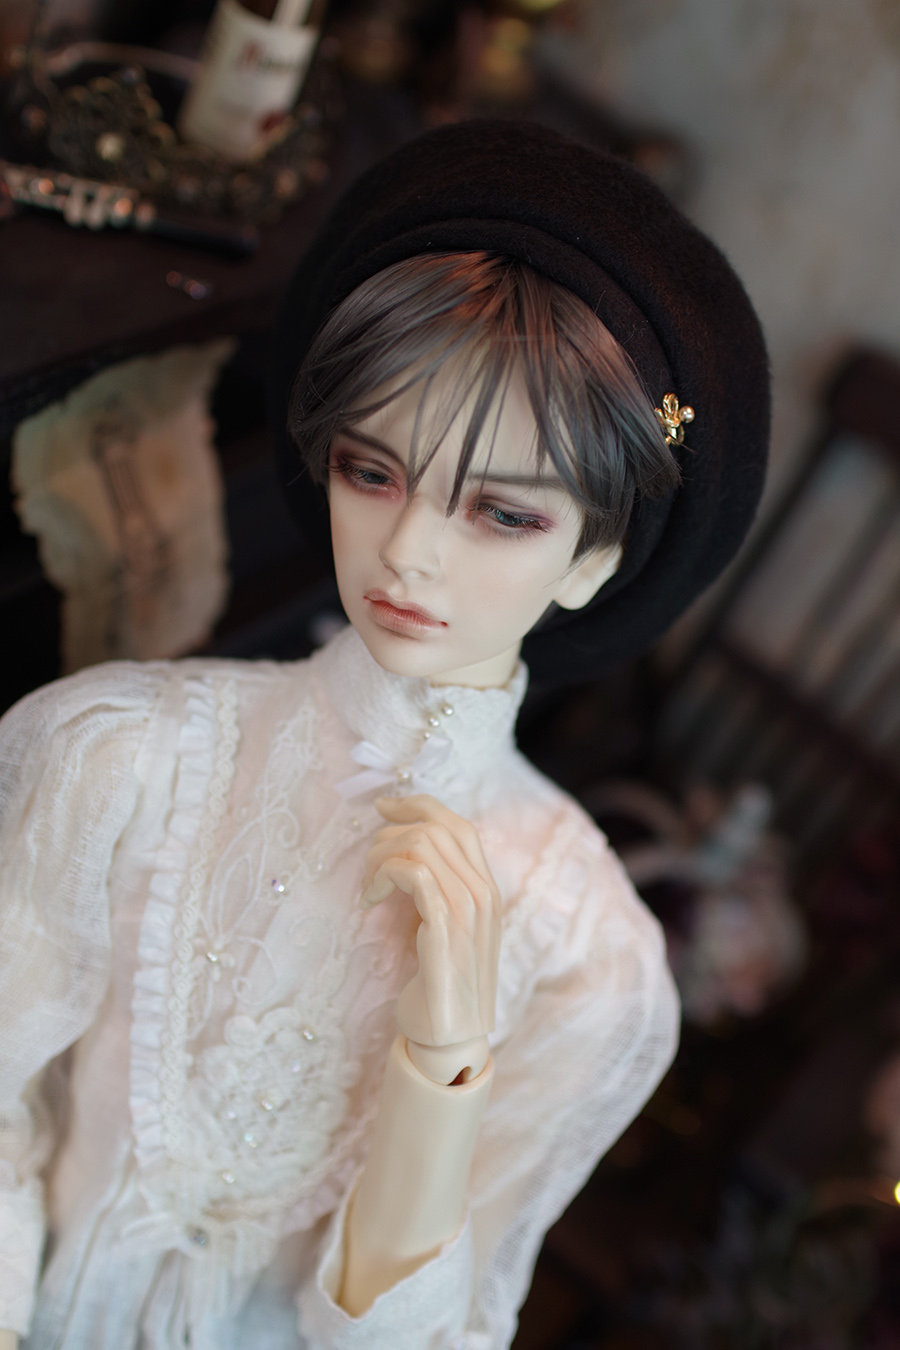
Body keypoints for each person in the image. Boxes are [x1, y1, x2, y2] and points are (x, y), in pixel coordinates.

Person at [0, 120, 768, 1349]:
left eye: (504, 514)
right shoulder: (115, 757)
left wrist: (444, 1063)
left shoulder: (589, 964)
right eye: (373, 471)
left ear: (596, 560)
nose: (409, 551)